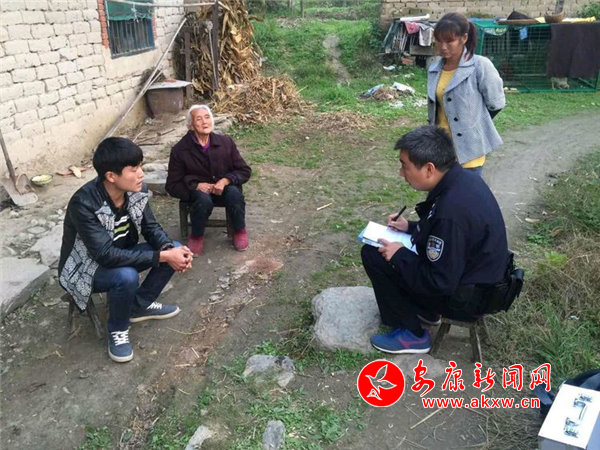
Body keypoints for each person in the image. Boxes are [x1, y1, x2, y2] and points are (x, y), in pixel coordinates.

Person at [361, 126, 510, 354]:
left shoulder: (451, 211)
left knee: (374, 255)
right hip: (473, 283)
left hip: (465, 301)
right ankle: (427, 312)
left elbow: (439, 282)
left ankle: (412, 334)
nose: (401, 173)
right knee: (393, 251)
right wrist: (409, 227)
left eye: (405, 166)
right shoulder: (461, 180)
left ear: (429, 169)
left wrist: (399, 255)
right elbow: (443, 234)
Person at [58, 138, 192, 363]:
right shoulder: (84, 203)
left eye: (140, 166)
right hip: (85, 268)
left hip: (120, 255)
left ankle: (137, 306)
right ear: (111, 176)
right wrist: (162, 256)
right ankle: (118, 328)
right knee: (127, 275)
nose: (141, 174)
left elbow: (151, 228)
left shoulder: (136, 191)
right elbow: (105, 255)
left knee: (175, 248)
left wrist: (170, 250)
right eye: (134, 169)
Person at [166, 105, 252, 256]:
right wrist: (196, 186)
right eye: (198, 119)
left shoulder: (225, 143)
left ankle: (239, 230)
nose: (204, 122)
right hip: (198, 194)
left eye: (207, 117)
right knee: (203, 200)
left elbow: (244, 170)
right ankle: (196, 236)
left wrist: (225, 180)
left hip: (224, 189)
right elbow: (172, 185)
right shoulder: (180, 150)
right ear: (191, 125)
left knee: (234, 193)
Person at [428, 12, 505, 176]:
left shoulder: (480, 66)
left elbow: (496, 103)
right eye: (439, 40)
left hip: (469, 150)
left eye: (449, 41)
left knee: (467, 191)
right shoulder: (434, 69)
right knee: (442, 191)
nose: (443, 46)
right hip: (440, 149)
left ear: (463, 38)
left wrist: (472, 125)